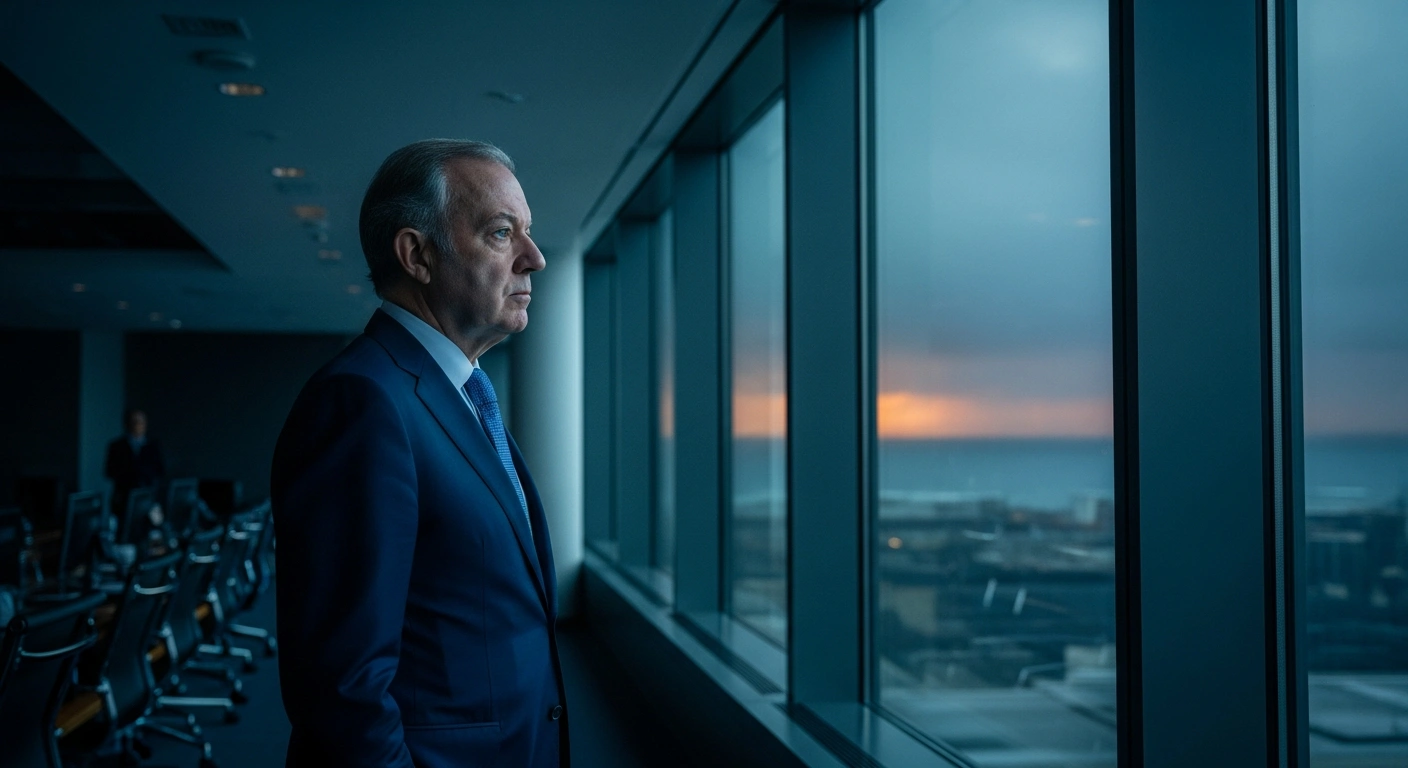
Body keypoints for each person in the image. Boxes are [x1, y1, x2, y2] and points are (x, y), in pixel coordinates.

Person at [271, 140, 565, 768]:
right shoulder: (362, 402)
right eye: (501, 233)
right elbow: (342, 685)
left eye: (528, 232)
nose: (534, 258)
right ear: (417, 255)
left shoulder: (460, 393)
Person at [104, 409, 164, 523]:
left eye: (141, 422)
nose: (138, 425)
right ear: (127, 424)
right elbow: (109, 471)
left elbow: (160, 470)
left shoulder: (153, 446)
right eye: (135, 422)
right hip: (124, 499)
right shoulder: (117, 446)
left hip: (147, 497)